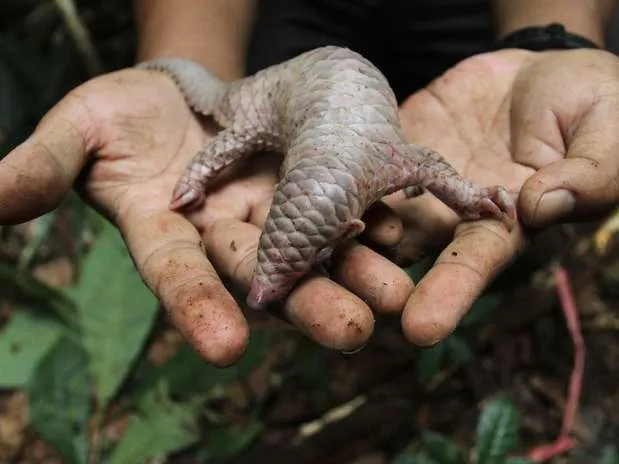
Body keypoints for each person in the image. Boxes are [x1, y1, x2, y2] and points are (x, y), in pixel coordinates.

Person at [0, 0, 617, 366]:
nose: (265, 290)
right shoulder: (383, 162)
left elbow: (430, 167)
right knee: (239, 124)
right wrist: (200, 163)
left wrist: (547, 41)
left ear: (351, 227)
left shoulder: (385, 163)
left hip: (456, 29)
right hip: (287, 77)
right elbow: (425, 165)